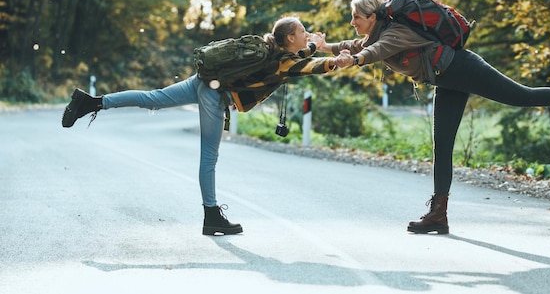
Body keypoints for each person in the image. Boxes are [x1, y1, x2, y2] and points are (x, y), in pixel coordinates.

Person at [323, 0, 550, 235]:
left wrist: (354, 61)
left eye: (356, 17)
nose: (352, 23)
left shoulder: (396, 33)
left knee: (521, 95)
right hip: (446, 78)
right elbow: (355, 46)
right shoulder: (379, 32)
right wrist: (325, 48)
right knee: (443, 145)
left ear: (372, 17)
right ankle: (439, 213)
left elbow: (372, 52)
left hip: (462, 68)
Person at [62, 16, 344, 236]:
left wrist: (314, 47)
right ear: (290, 37)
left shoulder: (266, 47)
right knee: (209, 155)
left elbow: (301, 57)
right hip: (213, 94)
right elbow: (310, 66)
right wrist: (334, 59)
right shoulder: (283, 60)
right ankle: (211, 215)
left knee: (153, 98)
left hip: (201, 80)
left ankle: (92, 103)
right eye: (303, 31)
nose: (307, 34)